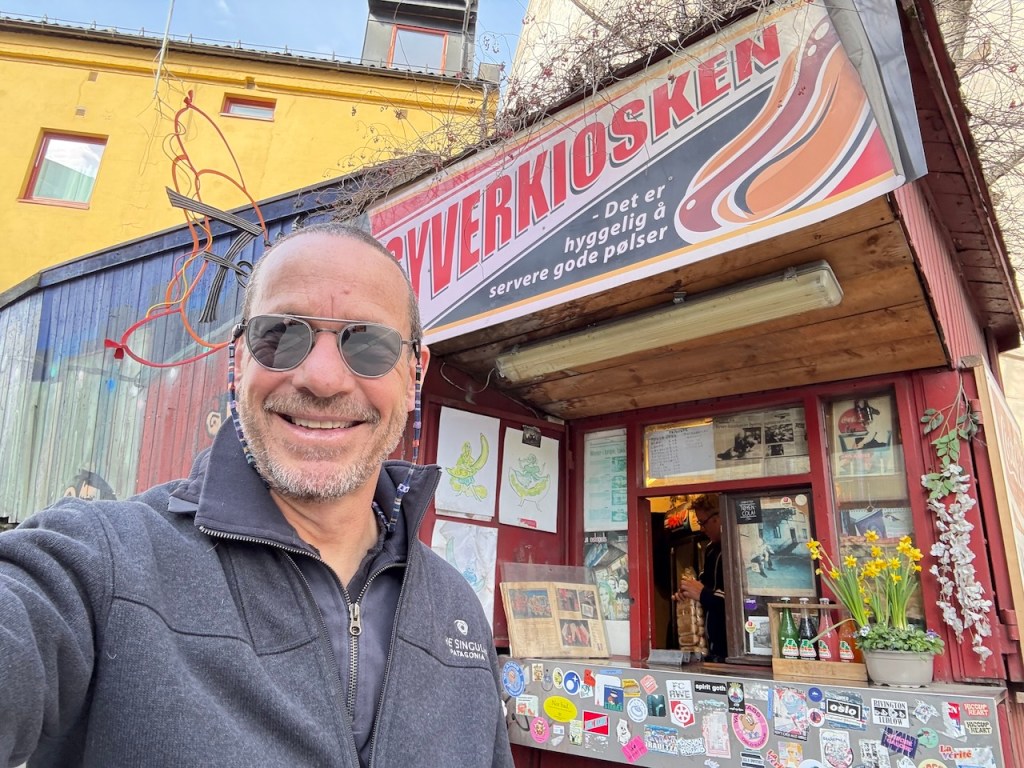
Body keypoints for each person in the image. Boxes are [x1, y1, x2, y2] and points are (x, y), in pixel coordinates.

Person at [0, 223, 514, 768]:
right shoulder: (102, 564)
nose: (322, 378)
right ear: (241, 357)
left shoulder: (456, 609)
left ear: (414, 372)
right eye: (282, 336)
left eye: (367, 344)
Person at [675, 494, 727, 662]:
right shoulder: (711, 549)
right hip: (711, 647)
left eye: (702, 522)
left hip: (731, 648)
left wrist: (702, 594)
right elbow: (704, 585)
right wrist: (687, 593)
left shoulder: (736, 547)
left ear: (718, 517)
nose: (702, 529)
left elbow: (738, 603)